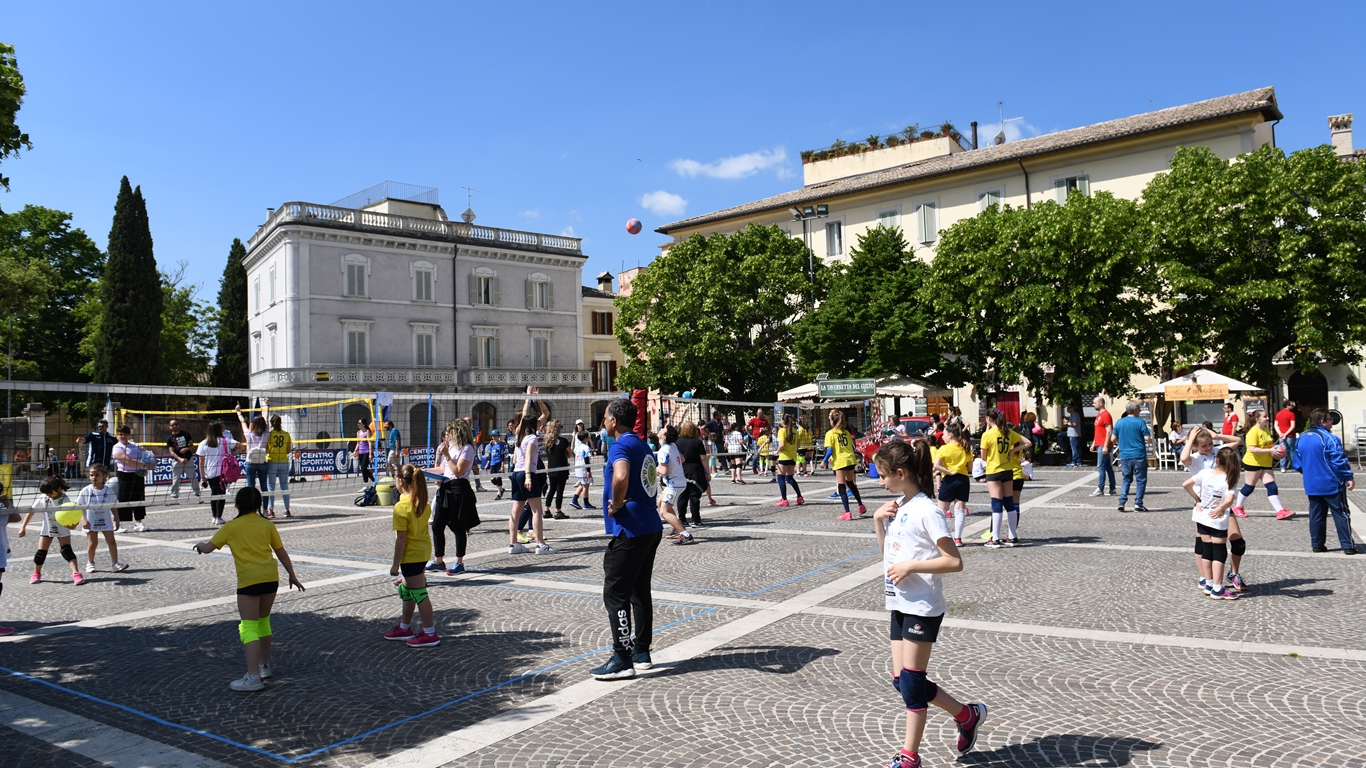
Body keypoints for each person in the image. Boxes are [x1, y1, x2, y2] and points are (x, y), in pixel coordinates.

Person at [872, 439, 986, 768]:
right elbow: (888, 555)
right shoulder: (899, 506)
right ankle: (966, 715)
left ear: (900, 472)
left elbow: (954, 561)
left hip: (922, 606)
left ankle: (909, 757)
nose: (880, 482)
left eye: (883, 475)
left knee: (910, 681)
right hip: (899, 602)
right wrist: (878, 522)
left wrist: (912, 566)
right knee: (902, 679)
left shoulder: (928, 511)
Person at [192, 487, 306, 690]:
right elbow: (281, 552)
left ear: (237, 505)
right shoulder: (267, 524)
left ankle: (253, 678)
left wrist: (200, 545)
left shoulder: (232, 526)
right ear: (259, 505)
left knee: (248, 627)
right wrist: (292, 575)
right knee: (263, 622)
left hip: (249, 581)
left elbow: (209, 548)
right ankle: (263, 666)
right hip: (270, 577)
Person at [590, 398, 663, 681]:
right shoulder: (642, 443)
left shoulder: (620, 445)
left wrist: (616, 502)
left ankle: (622, 657)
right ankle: (641, 652)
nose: (603, 422)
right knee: (639, 590)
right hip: (649, 525)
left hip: (630, 529)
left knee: (616, 593)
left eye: (605, 417)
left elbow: (620, 476)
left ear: (614, 421)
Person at [1179, 425, 1248, 590]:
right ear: (1196, 446)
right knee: (1203, 544)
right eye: (1204, 445)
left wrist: (1217, 436)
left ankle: (1233, 573)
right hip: (1204, 505)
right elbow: (1183, 458)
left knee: (1238, 541)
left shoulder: (1217, 451)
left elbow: (1237, 440)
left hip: (1223, 504)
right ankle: (1206, 578)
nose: (1208, 448)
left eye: (1210, 444)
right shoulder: (1195, 458)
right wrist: (1189, 441)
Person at [381, 464, 440, 647]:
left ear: (400, 482)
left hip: (412, 555)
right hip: (422, 551)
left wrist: (395, 565)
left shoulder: (401, 507)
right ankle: (405, 627)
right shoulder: (423, 503)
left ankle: (429, 633)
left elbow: (401, 539)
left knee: (419, 593)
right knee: (406, 591)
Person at [1296, 408, 1358, 555]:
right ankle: (1347, 545)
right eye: (1330, 420)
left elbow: (1297, 463)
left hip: (1312, 484)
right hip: (1331, 483)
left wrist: (1309, 473)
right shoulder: (1330, 438)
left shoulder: (1302, 437)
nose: (1332, 423)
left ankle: (1317, 544)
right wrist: (1348, 476)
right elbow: (1339, 460)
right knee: (1341, 514)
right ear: (1323, 422)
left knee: (1316, 515)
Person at [429, 420, 481, 575]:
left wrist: (446, 455)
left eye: (449, 432)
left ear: (457, 433)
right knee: (437, 525)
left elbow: (458, 471)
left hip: (459, 489)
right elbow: (443, 469)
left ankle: (459, 562)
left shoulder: (467, 449)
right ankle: (439, 560)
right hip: (445, 488)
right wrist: (422, 471)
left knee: (457, 526)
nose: (447, 436)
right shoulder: (451, 448)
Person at [507, 392, 555, 555]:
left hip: (515, 474)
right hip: (527, 473)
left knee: (516, 510)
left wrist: (531, 396)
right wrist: (528, 476)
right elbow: (528, 458)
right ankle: (540, 545)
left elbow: (538, 415)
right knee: (537, 510)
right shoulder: (532, 438)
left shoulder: (519, 436)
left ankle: (513, 544)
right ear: (535, 425)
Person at [19, 476, 83, 585]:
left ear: (58, 489)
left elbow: (71, 515)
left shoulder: (65, 499)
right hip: (47, 529)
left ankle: (76, 574)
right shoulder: (43, 498)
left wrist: (73, 525)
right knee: (41, 553)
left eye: (49, 492)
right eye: (46, 493)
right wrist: (23, 527)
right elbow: (31, 512)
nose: (48, 495)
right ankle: (36, 573)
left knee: (66, 551)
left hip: (62, 529)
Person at [1235, 409, 1293, 520]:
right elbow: (1252, 449)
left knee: (1272, 486)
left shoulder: (1266, 430)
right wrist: (1270, 451)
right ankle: (1238, 507)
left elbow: (1269, 445)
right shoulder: (1253, 432)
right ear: (1257, 419)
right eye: (1265, 416)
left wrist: (1277, 451)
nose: (1267, 418)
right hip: (1253, 462)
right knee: (1249, 487)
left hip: (1266, 462)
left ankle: (1280, 511)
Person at [980, 410, 1026, 549]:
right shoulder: (1008, 432)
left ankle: (995, 538)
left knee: (996, 503)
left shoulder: (987, 434)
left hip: (994, 470)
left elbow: (983, 456)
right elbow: (1027, 442)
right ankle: (1012, 537)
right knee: (1009, 503)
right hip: (1008, 470)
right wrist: (1011, 451)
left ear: (988, 418)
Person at [77, 465, 126, 573]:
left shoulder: (108, 490)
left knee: (111, 541)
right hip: (91, 521)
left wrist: (117, 520)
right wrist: (83, 520)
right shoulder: (85, 491)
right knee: (92, 543)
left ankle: (115, 563)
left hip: (105, 520)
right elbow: (80, 507)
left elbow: (114, 507)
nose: (94, 477)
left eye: (97, 475)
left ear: (104, 476)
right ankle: (90, 563)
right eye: (91, 475)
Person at [933, 424, 973, 546]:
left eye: (944, 434)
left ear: (950, 435)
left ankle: (942, 537)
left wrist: (948, 471)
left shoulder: (944, 449)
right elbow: (970, 468)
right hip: (963, 479)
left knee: (942, 511)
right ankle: (958, 538)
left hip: (949, 479)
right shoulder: (966, 448)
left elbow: (936, 466)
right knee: (960, 510)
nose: (943, 437)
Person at [656, 425, 695, 545]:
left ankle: (686, 535)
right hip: (677, 482)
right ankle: (675, 527)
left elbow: (665, 471)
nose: (660, 429)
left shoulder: (664, 450)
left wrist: (654, 468)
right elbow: (682, 459)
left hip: (674, 484)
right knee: (659, 502)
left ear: (664, 436)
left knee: (663, 512)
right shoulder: (673, 446)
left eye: (663, 429)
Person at [111, 425, 153, 532]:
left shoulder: (135, 445)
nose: (123, 436)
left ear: (129, 435)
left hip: (137, 475)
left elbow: (148, 454)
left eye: (125, 434)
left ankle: (138, 523)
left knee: (139, 499)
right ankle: (117, 524)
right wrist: (145, 464)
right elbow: (127, 460)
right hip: (124, 475)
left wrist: (152, 461)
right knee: (123, 499)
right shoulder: (117, 447)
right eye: (120, 434)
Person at [826, 410, 866, 520]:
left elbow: (830, 449)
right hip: (850, 459)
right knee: (851, 483)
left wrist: (824, 460)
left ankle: (847, 512)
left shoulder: (831, 433)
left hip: (840, 461)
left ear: (832, 421)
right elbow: (849, 447)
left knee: (841, 485)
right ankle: (860, 505)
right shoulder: (846, 432)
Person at [1113, 402, 1152, 513]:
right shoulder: (1140, 422)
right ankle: (1138, 504)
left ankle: (1122, 501)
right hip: (1139, 454)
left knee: (1126, 479)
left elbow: (1113, 439)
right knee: (1141, 480)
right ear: (1135, 410)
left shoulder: (1119, 422)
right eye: (1139, 409)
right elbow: (1147, 438)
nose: (1139, 411)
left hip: (1125, 455)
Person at [197, 421, 238, 526]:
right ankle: (218, 517)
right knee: (221, 494)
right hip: (222, 472)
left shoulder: (203, 443)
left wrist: (202, 477)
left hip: (210, 472)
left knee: (214, 494)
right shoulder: (225, 440)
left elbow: (201, 462)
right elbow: (242, 446)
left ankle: (214, 517)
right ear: (219, 430)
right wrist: (232, 454)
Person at [236, 403, 272, 517]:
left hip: (250, 462)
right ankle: (265, 511)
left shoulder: (248, 434)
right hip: (262, 462)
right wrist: (267, 406)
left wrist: (238, 412)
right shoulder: (266, 433)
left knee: (251, 487)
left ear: (254, 424)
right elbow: (266, 418)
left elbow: (242, 422)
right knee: (264, 487)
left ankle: (251, 510)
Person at [674, 422, 710, 527]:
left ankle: (682, 519)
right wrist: (707, 472)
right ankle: (696, 520)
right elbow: (703, 458)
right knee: (694, 497)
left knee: (682, 496)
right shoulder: (697, 442)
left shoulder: (677, 442)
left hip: (681, 472)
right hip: (695, 472)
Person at [541, 419, 572, 519]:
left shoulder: (547, 441)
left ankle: (546, 510)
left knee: (552, 489)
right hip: (562, 468)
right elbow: (570, 454)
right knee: (560, 490)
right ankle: (558, 511)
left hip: (551, 468)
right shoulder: (563, 441)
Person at [166, 419, 201, 503]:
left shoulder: (186, 434)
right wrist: (180, 459)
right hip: (177, 461)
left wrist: (187, 448)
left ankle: (197, 494)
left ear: (179, 425)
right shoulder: (169, 438)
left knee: (193, 478)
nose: (175, 426)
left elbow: (192, 445)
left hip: (188, 459)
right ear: (170, 427)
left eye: (176, 424)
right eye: (173, 425)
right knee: (176, 479)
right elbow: (171, 451)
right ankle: (174, 496)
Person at [774, 413, 805, 507]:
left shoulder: (782, 431)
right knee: (789, 477)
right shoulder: (795, 431)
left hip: (784, 456)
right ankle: (799, 497)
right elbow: (798, 445)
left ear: (783, 421)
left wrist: (776, 452)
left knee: (781, 477)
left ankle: (784, 499)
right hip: (792, 457)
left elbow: (782, 445)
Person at [265, 414, 293, 518]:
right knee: (284, 486)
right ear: (281, 423)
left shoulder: (269, 435)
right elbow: (288, 450)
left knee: (271, 487)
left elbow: (266, 449)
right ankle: (287, 510)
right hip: (283, 461)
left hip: (272, 460)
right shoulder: (286, 434)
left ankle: (271, 510)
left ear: (272, 423)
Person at [1089, 397, 1116, 497]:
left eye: (1094, 403)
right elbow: (1098, 432)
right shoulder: (1099, 415)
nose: (1093, 404)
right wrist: (1093, 443)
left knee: (1101, 467)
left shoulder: (1106, 415)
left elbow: (1109, 431)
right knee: (1108, 467)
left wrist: (1105, 446)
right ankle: (1112, 488)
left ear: (1101, 403)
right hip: (1099, 444)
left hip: (1104, 446)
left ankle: (1100, 488)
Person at [570, 432, 596, 510]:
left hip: (577, 468)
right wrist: (589, 471)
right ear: (585, 438)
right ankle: (586, 503)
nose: (589, 438)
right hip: (583, 469)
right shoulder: (586, 447)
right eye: (588, 436)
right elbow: (586, 459)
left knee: (582, 485)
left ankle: (574, 500)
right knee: (586, 486)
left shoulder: (577, 447)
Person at [1274, 400, 1298, 472]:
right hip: (1290, 435)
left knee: (1282, 451)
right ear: (1287, 406)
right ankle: (1294, 467)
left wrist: (1280, 433)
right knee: (1292, 450)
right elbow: (1292, 426)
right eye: (1291, 405)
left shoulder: (1278, 414)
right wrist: (1286, 434)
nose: (1293, 406)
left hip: (1281, 436)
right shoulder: (1291, 414)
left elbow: (1276, 425)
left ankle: (1283, 467)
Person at [484, 429, 506, 500]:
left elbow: (502, 456)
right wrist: (487, 464)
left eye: (496, 436)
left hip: (498, 462)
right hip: (492, 463)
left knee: (498, 478)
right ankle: (501, 489)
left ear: (498, 436)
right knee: (492, 479)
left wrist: (502, 466)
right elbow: (490, 456)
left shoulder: (501, 445)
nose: (494, 437)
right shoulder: (491, 445)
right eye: (493, 436)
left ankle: (499, 493)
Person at [354, 420, 374, 486]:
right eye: (358, 423)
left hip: (366, 451)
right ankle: (366, 484)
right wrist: (355, 450)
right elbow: (358, 443)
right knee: (362, 469)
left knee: (363, 467)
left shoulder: (367, 432)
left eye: (359, 423)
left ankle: (372, 477)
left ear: (364, 424)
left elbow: (370, 443)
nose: (358, 424)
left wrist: (370, 454)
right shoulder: (358, 432)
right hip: (360, 452)